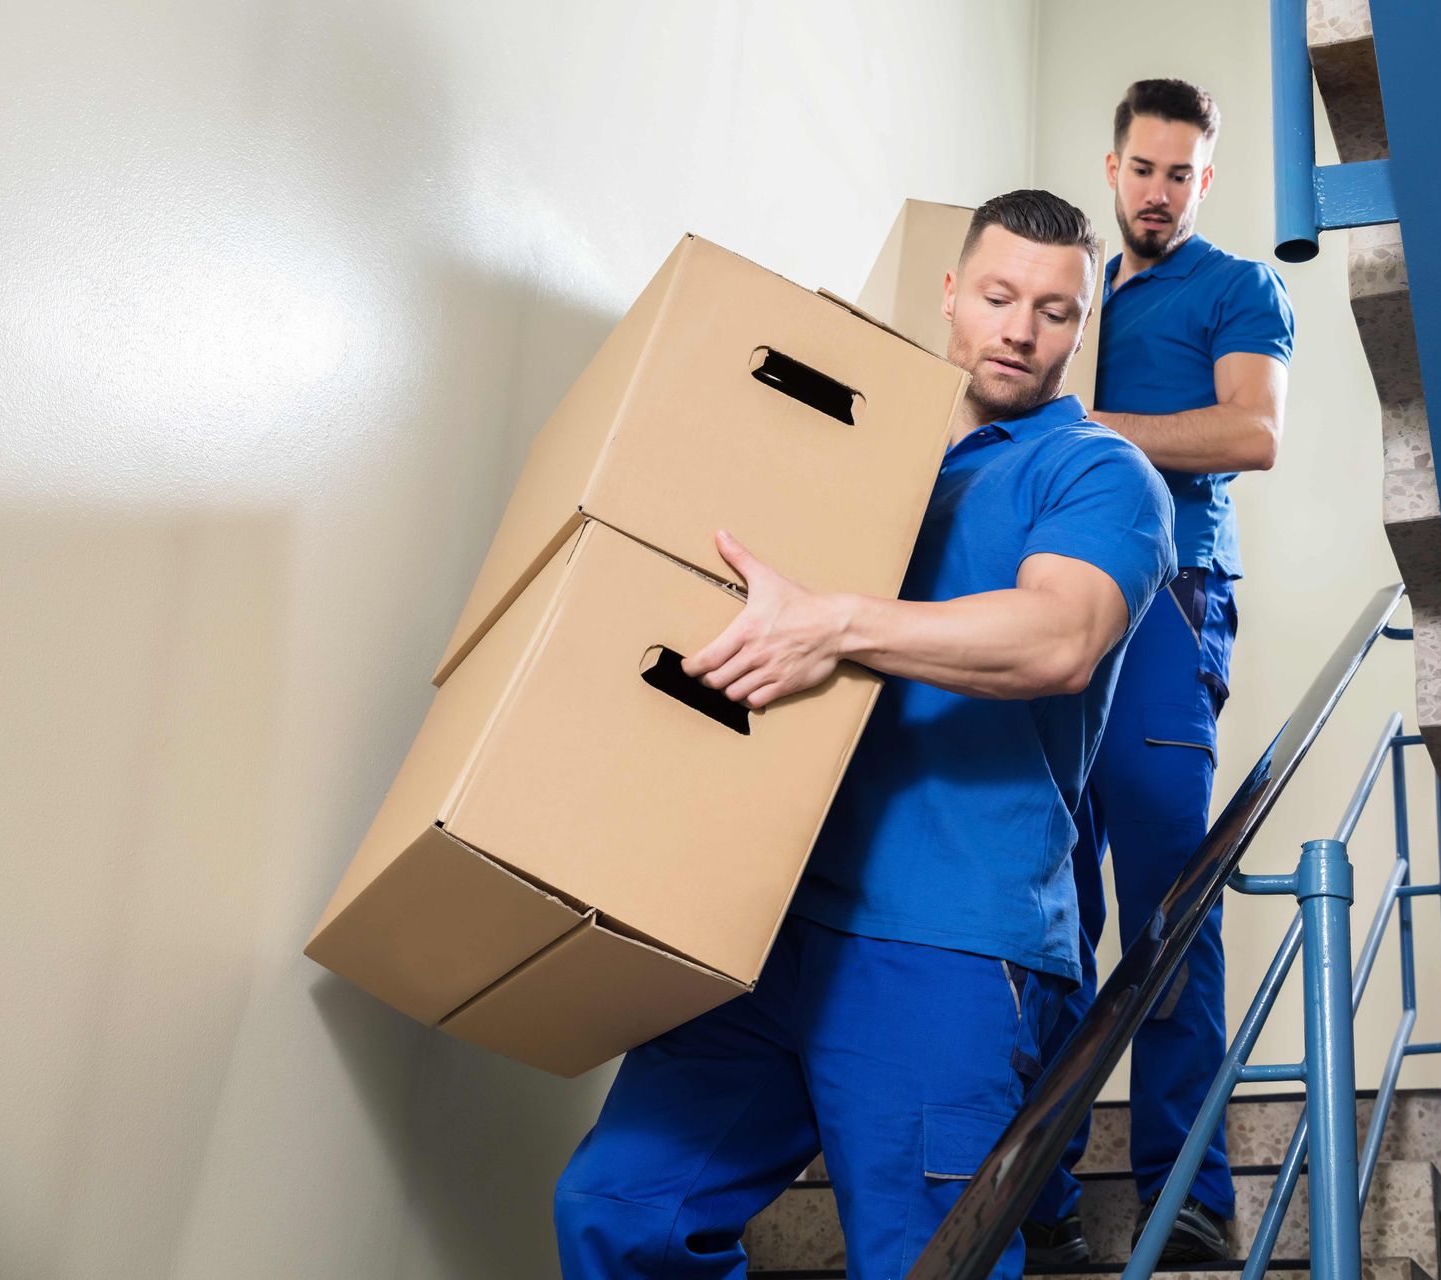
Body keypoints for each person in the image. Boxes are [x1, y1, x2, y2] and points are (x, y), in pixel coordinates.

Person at [551, 189, 1175, 1279]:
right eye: (996, 295)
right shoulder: (863, 458)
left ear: (1085, 325)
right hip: (767, 924)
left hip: (942, 934)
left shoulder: (1095, 473)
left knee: (924, 1262)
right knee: (620, 1206)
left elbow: (1060, 636)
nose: (1021, 328)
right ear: (949, 295)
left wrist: (834, 623)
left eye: (1056, 310)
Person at [1023, 79, 1295, 1268]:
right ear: (1113, 165)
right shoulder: (1077, 291)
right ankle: (1041, 1191)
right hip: (1048, 607)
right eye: (1144, 169)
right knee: (1047, 905)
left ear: (1205, 179)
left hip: (1169, 610)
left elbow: (1252, 434)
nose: (1160, 192)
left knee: (1168, 904)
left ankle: (1187, 1189)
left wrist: (1086, 421)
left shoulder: (1237, 286)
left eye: (1182, 174)